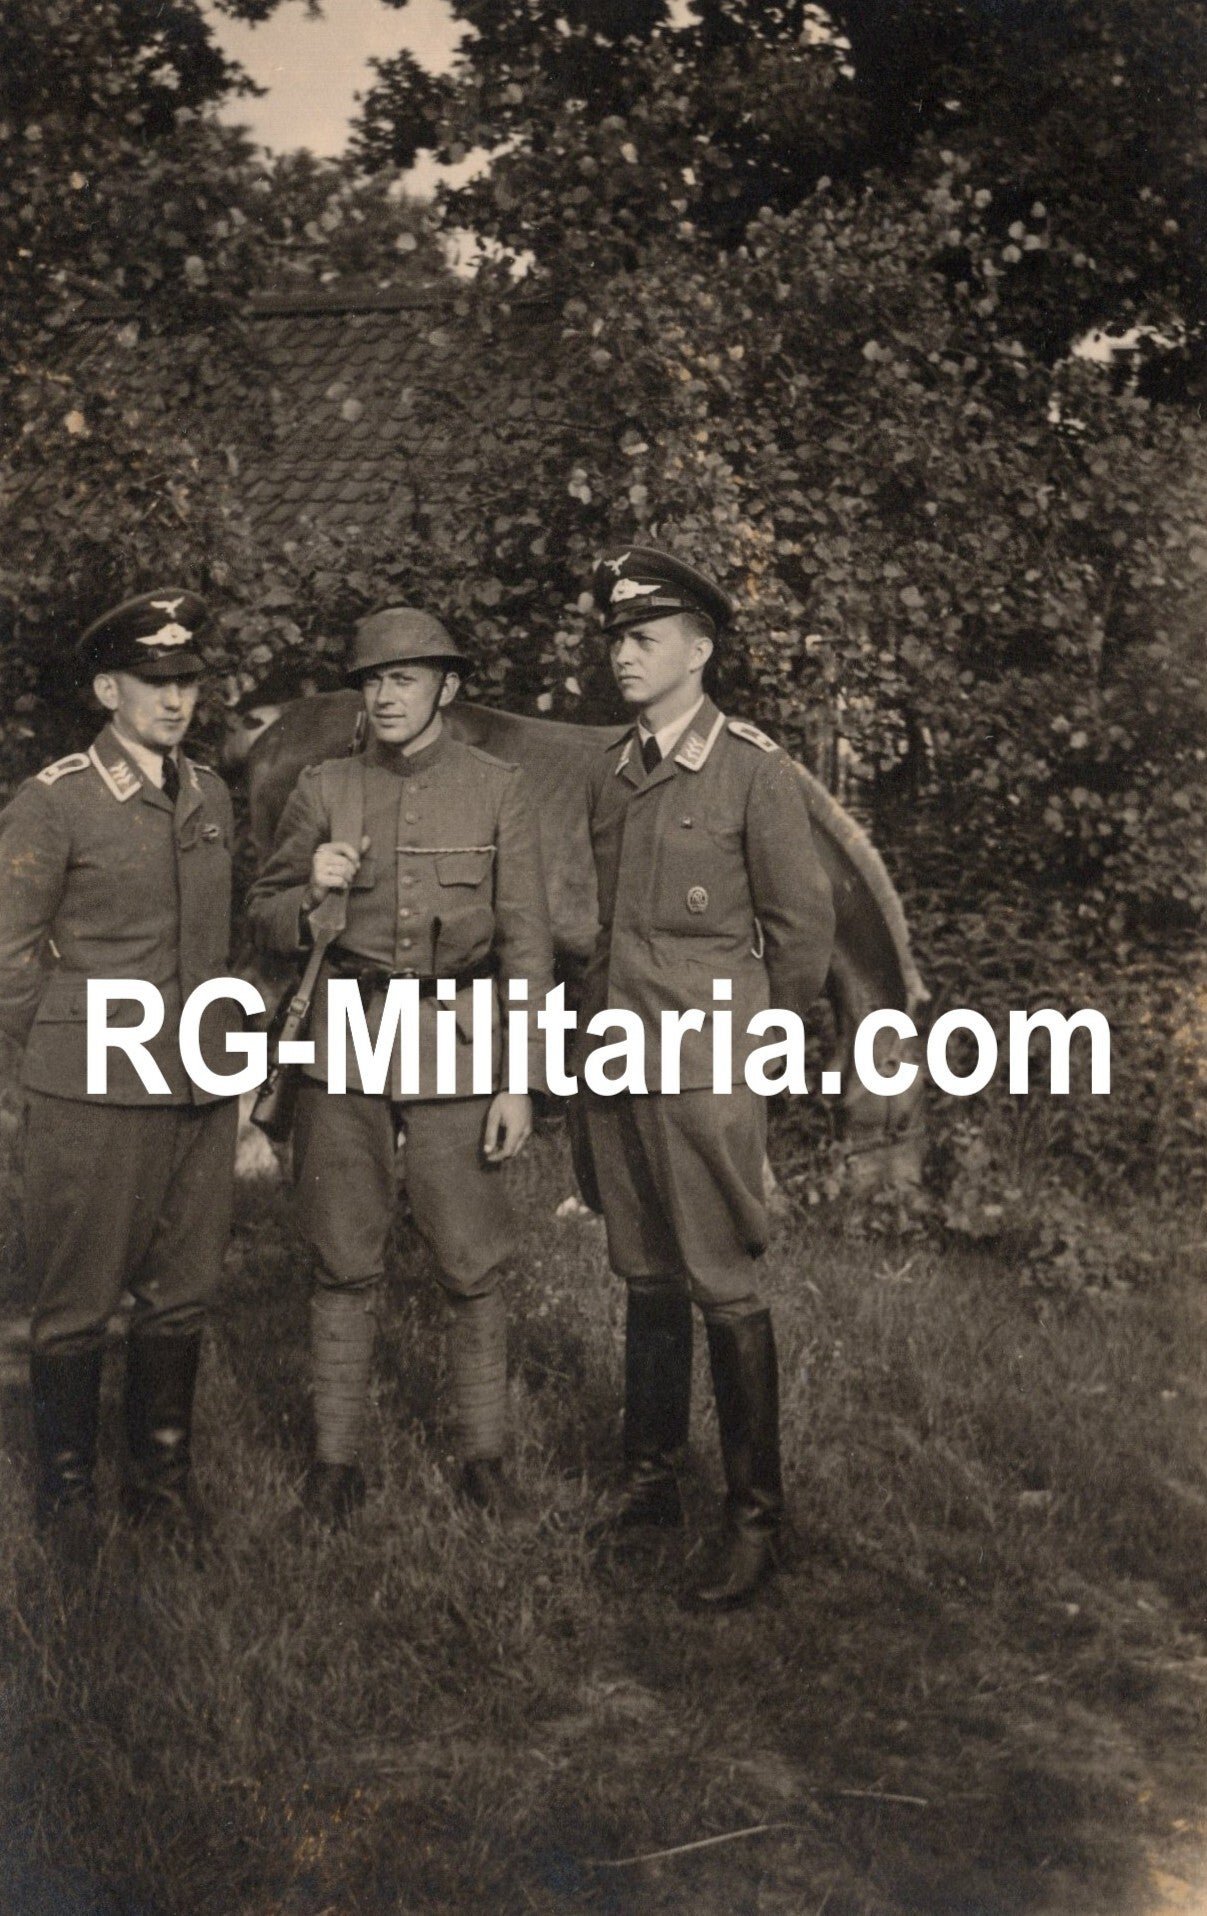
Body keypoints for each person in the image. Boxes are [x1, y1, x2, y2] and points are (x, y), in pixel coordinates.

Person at [245, 607, 554, 1525]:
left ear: (446, 690)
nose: (383, 696)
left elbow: (529, 949)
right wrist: (311, 895)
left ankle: (483, 1459)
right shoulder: (325, 785)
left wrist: (519, 1079)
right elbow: (260, 914)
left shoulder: (500, 788)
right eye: (372, 681)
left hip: (458, 1038)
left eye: (405, 680)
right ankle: (336, 1466)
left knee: (471, 1257)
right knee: (342, 1253)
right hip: (346, 1031)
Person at [579, 544, 836, 1609]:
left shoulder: (754, 772)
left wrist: (748, 1069)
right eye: (615, 640)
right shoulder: (616, 769)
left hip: (705, 1067)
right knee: (644, 1269)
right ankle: (650, 1484)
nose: (622, 658)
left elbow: (802, 942)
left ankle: (754, 1515)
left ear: (699, 646)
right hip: (620, 1058)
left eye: (642, 638)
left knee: (721, 1281)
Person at [0, 590, 241, 1557]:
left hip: (194, 1083)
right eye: (154, 681)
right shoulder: (54, 798)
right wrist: (32, 1071)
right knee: (77, 1300)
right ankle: (66, 1500)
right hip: (92, 1085)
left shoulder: (212, 793)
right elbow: (8, 955)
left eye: (187, 680)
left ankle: (161, 1484)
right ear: (109, 689)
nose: (175, 698)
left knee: (180, 1291)